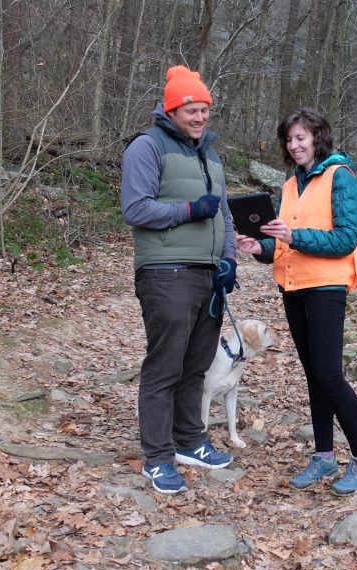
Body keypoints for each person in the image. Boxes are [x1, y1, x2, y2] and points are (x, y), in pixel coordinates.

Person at [235, 107, 357, 496]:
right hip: (294, 287)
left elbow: (345, 240)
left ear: (317, 137)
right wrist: (258, 247)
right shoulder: (288, 186)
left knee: (330, 374)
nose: (294, 144)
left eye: (301, 137)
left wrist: (293, 235)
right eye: (289, 139)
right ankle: (324, 454)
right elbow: (282, 242)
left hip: (326, 287)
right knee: (314, 376)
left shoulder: (340, 177)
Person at [120, 65, 237, 494]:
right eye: (191, 108)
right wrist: (188, 211)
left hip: (208, 274)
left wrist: (227, 261)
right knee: (165, 365)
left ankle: (190, 441)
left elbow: (222, 211)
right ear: (172, 109)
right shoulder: (147, 148)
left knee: (197, 365)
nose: (200, 116)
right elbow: (135, 209)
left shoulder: (210, 153)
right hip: (165, 273)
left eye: (205, 108)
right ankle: (157, 457)